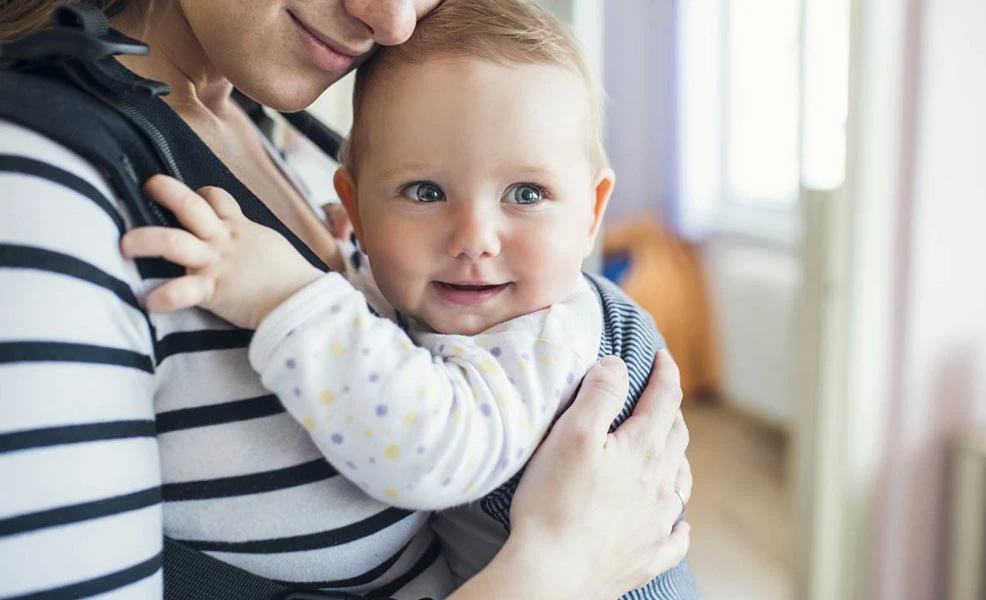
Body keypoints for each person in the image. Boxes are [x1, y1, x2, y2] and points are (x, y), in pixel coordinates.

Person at [0, 1, 695, 599]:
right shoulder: (41, 187)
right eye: (425, 193)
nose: (391, 19)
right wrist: (558, 570)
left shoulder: (269, 135)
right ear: (355, 201)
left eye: (526, 194)